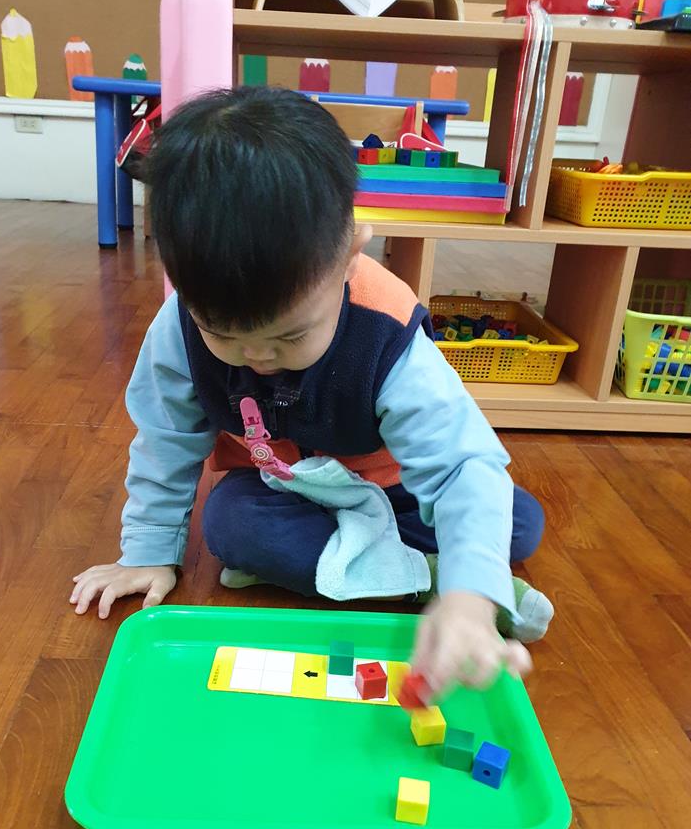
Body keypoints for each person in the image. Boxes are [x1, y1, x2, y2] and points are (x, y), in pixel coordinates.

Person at [70, 86, 552, 697]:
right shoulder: (178, 328)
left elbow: (460, 466)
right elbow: (165, 440)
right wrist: (147, 551)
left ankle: (410, 576)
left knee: (516, 521)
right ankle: (422, 577)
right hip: (280, 488)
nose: (258, 358)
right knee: (230, 526)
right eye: (223, 335)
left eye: (291, 335)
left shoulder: (386, 331)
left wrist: (471, 598)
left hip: (388, 486)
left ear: (350, 254)